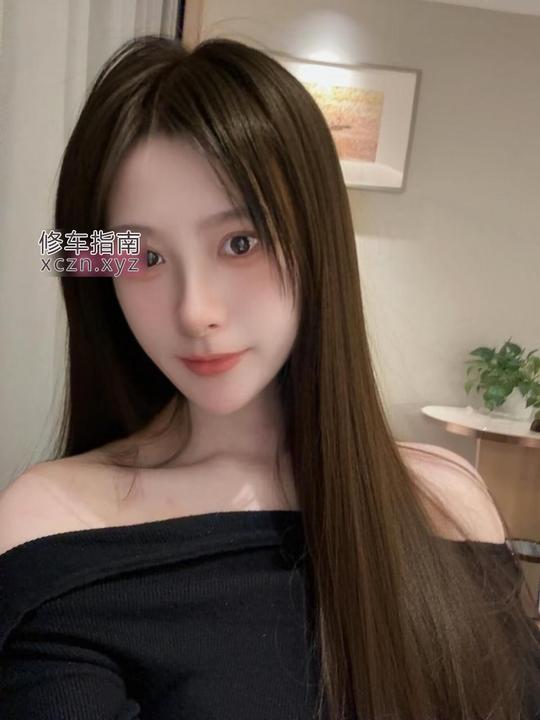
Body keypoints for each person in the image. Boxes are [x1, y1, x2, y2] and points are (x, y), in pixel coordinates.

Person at [0, 34, 538, 720]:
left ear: (317, 245)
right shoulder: (48, 525)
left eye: (240, 243)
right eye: (146, 257)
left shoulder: (449, 499)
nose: (195, 311)